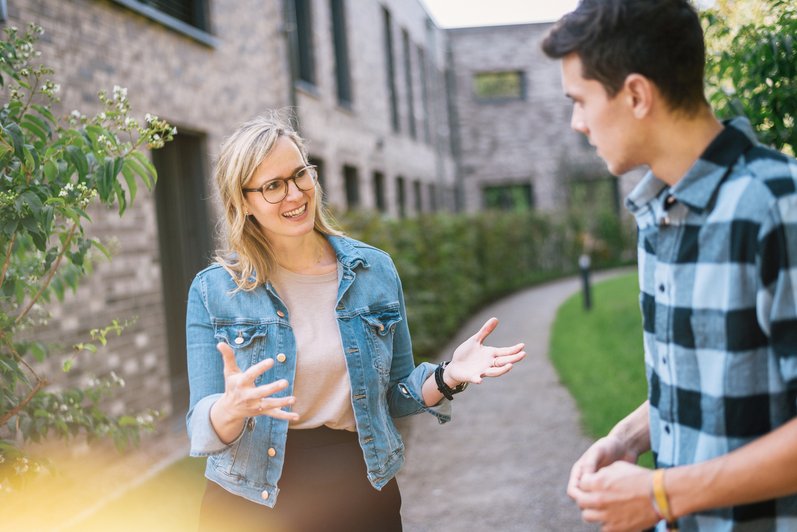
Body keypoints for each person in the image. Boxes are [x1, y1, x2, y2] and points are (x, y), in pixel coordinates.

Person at [185, 112, 526, 532]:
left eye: (300, 175)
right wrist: (230, 409)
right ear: (244, 202)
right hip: (249, 501)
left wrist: (448, 376)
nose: (295, 194)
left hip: (357, 490)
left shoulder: (373, 272)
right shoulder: (214, 291)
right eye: (273, 186)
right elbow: (200, 427)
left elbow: (395, 392)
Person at [542, 1, 797, 530]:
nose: (577, 123)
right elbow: (703, 383)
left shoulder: (778, 205)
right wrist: (627, 439)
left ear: (636, 94)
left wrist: (660, 493)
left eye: (581, 101)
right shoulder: (658, 214)